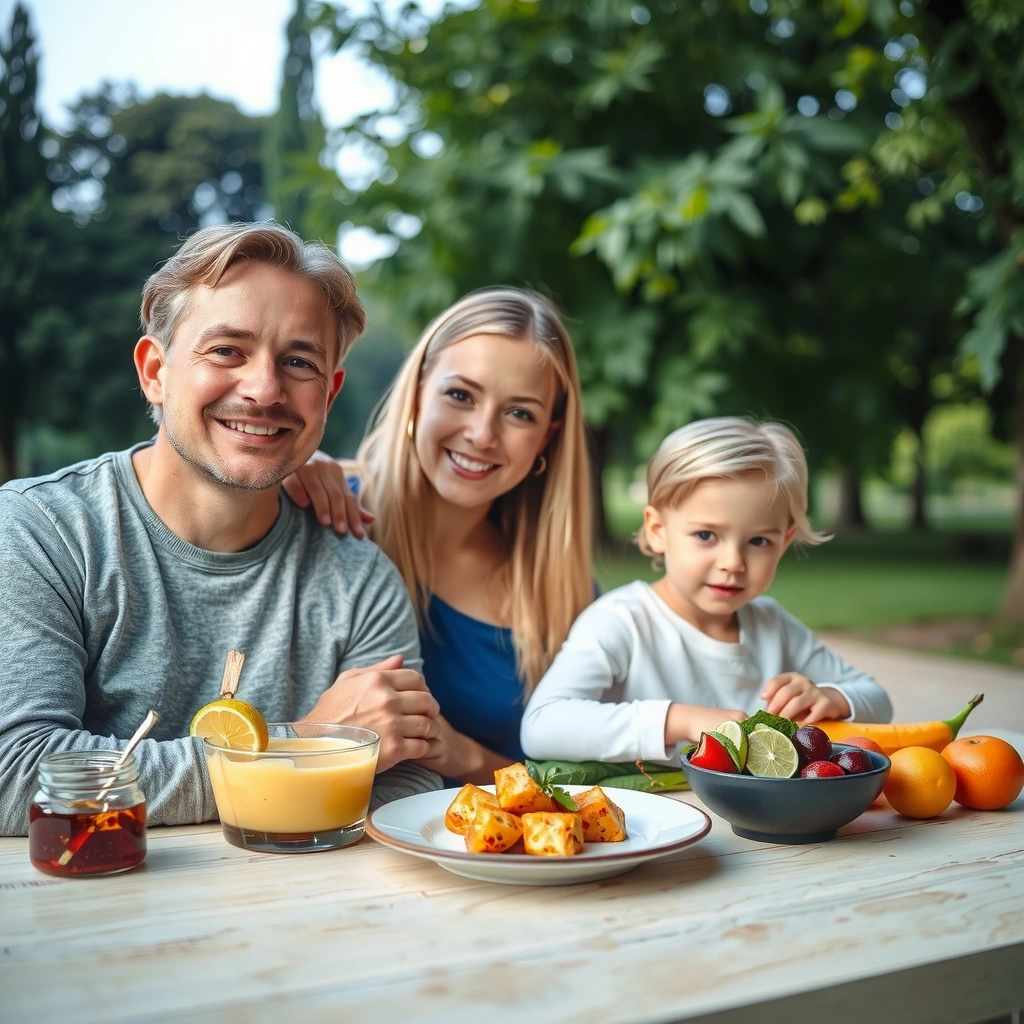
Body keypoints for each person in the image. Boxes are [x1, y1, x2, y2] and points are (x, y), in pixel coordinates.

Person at [0, 222, 443, 837]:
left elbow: (405, 782)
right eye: (227, 350)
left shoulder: (359, 575)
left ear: (330, 393)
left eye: (298, 361)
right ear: (155, 371)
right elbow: (17, 772)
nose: (264, 389)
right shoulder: (43, 532)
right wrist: (306, 742)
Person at [283, 288, 595, 784]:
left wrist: (466, 758)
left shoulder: (562, 592)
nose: (482, 434)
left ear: (548, 436)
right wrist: (284, 463)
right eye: (460, 395)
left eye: (520, 413)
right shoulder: (321, 505)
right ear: (418, 392)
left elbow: (584, 778)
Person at [520, 417, 893, 764]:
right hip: (652, 823)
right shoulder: (621, 621)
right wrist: (678, 719)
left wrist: (831, 698)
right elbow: (541, 726)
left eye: (759, 541)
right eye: (705, 535)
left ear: (785, 542)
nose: (732, 562)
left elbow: (878, 701)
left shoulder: (771, 624)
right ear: (657, 530)